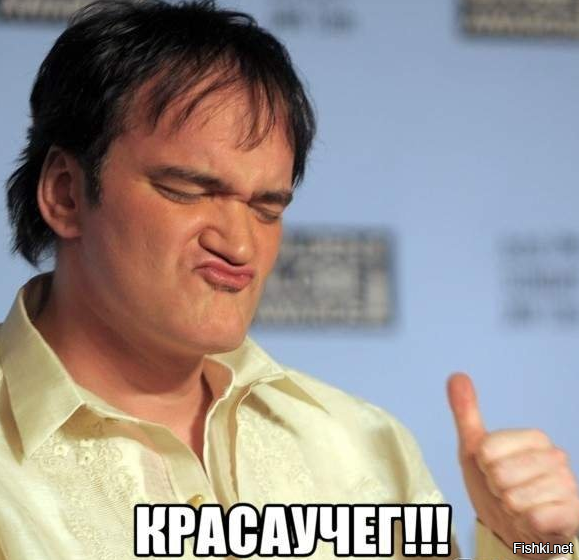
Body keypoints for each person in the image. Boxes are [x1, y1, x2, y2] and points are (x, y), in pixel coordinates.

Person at [0, 1, 577, 559]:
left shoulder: (364, 444)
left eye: (267, 207)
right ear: (66, 193)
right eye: (189, 190)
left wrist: (529, 548)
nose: (239, 245)